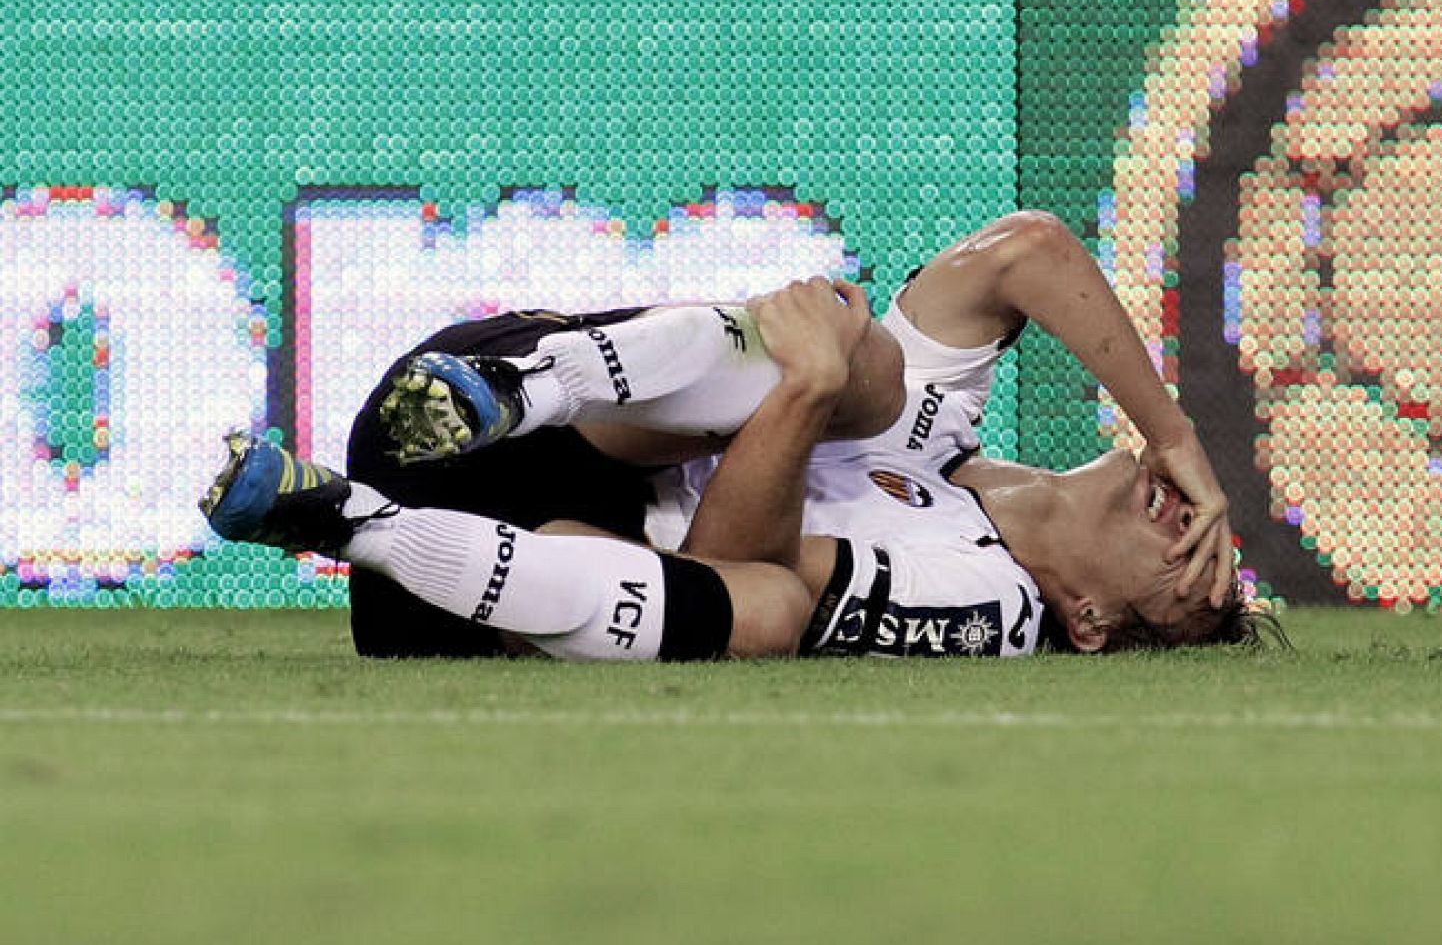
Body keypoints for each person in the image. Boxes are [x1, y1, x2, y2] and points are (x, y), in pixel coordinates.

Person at [202, 211, 1256, 660]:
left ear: (1088, 618)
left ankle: (336, 516)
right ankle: (526, 382)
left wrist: (802, 389)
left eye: (1190, 576)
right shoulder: (937, 441)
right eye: (1211, 534)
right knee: (870, 366)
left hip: (489, 585)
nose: (1194, 532)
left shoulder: (988, 600)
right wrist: (1176, 435)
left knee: (766, 604)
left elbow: (725, 573)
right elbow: (1022, 251)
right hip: (479, 414)